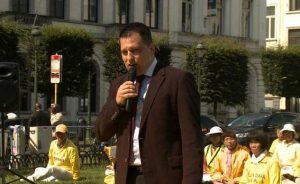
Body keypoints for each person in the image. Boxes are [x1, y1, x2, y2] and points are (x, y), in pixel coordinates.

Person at [95, 22, 203, 184]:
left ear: (151, 49)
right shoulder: (119, 84)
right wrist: (116, 104)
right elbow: (101, 133)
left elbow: (191, 140)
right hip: (127, 176)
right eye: (124, 52)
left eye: (135, 50)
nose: (129, 58)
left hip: (164, 175)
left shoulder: (177, 80)